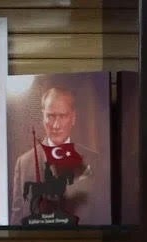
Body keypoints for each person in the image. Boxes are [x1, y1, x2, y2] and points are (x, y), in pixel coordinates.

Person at [9, 86, 104, 225]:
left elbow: (101, 216)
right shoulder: (23, 164)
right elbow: (16, 222)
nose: (56, 125)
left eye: (63, 116)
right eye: (50, 116)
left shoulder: (94, 161)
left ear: (73, 118)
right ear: (43, 117)